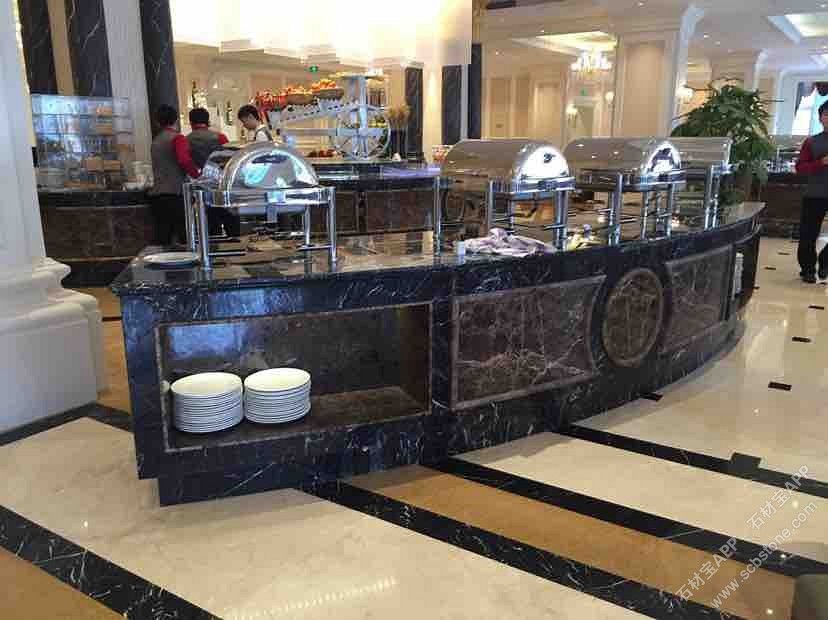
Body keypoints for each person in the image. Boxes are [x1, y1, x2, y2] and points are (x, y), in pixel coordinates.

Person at [796, 100, 828, 283]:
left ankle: (825, 263)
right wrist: (821, 163)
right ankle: (808, 269)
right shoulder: (811, 142)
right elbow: (800, 168)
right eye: (826, 114)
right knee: (808, 234)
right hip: (815, 194)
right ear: (820, 118)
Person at [149, 104, 186, 245]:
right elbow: (184, 160)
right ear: (176, 120)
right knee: (183, 234)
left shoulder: (156, 141)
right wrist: (197, 175)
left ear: (157, 122)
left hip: (158, 193)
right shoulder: (177, 138)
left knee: (163, 235)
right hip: (176, 192)